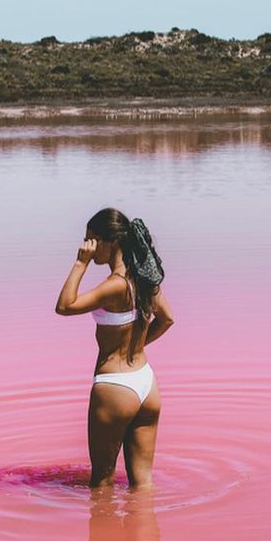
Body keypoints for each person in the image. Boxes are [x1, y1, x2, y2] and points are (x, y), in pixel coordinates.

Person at [55, 208, 175, 489]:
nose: (88, 247)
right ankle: (144, 532)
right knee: (143, 483)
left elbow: (64, 306)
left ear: (110, 241)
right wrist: (135, 345)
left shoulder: (114, 286)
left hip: (115, 387)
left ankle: (104, 531)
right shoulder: (146, 280)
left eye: (92, 240)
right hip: (146, 384)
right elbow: (167, 319)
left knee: (101, 482)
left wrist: (80, 264)